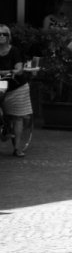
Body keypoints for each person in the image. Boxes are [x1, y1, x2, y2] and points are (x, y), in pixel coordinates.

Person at [0, 25, 35, 157]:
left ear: (9, 37)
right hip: (0, 85)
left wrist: (10, 72)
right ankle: (5, 126)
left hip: (16, 86)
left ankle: (17, 148)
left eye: (5, 34)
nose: (2, 36)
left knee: (18, 117)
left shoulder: (14, 51)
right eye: (0, 34)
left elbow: (19, 69)